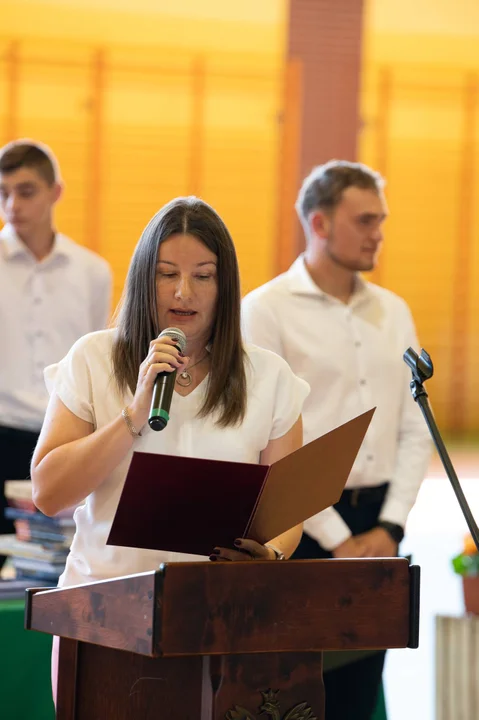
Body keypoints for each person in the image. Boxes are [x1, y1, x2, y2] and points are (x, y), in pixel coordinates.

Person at [30, 196, 309, 700]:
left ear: (225, 286)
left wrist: (268, 553)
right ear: (143, 278)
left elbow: (288, 508)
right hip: (102, 616)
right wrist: (132, 415)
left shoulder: (268, 376)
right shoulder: (94, 358)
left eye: (204, 275)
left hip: (220, 618)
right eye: (166, 274)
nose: (184, 292)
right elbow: (49, 492)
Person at [241, 160, 431, 720]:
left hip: (379, 525)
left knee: (357, 691)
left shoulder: (393, 310)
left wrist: (389, 525)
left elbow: (415, 426)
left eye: (382, 220)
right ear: (320, 224)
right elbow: (266, 442)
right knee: (290, 694)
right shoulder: (265, 310)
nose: (378, 233)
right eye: (365, 220)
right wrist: (337, 536)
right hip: (298, 527)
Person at [0, 139, 112, 566]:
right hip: (3, 427)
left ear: (55, 192)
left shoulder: (92, 271)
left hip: (63, 435)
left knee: (59, 564)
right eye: (3, 192)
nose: (12, 204)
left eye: (25, 191)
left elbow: (95, 362)